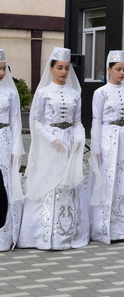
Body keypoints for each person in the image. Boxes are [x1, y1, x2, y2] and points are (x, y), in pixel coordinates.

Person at [18, 47, 89, 250]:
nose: (64, 72)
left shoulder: (75, 93)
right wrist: (51, 139)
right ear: (51, 69)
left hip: (68, 143)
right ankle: (42, 233)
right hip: (51, 144)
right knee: (49, 181)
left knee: (69, 183)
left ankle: (68, 231)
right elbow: (36, 121)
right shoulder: (43, 93)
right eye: (59, 67)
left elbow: (77, 121)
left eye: (67, 68)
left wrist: (78, 138)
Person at [89, 50, 124, 243]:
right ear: (109, 70)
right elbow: (96, 122)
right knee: (108, 180)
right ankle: (105, 227)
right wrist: (96, 148)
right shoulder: (101, 93)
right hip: (108, 138)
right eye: (118, 69)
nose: (122, 73)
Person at [0, 50, 23, 251]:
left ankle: (5, 235)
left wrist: (16, 147)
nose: (1, 72)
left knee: (5, 183)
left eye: (3, 68)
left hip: (4, 139)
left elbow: (15, 121)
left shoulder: (9, 92)